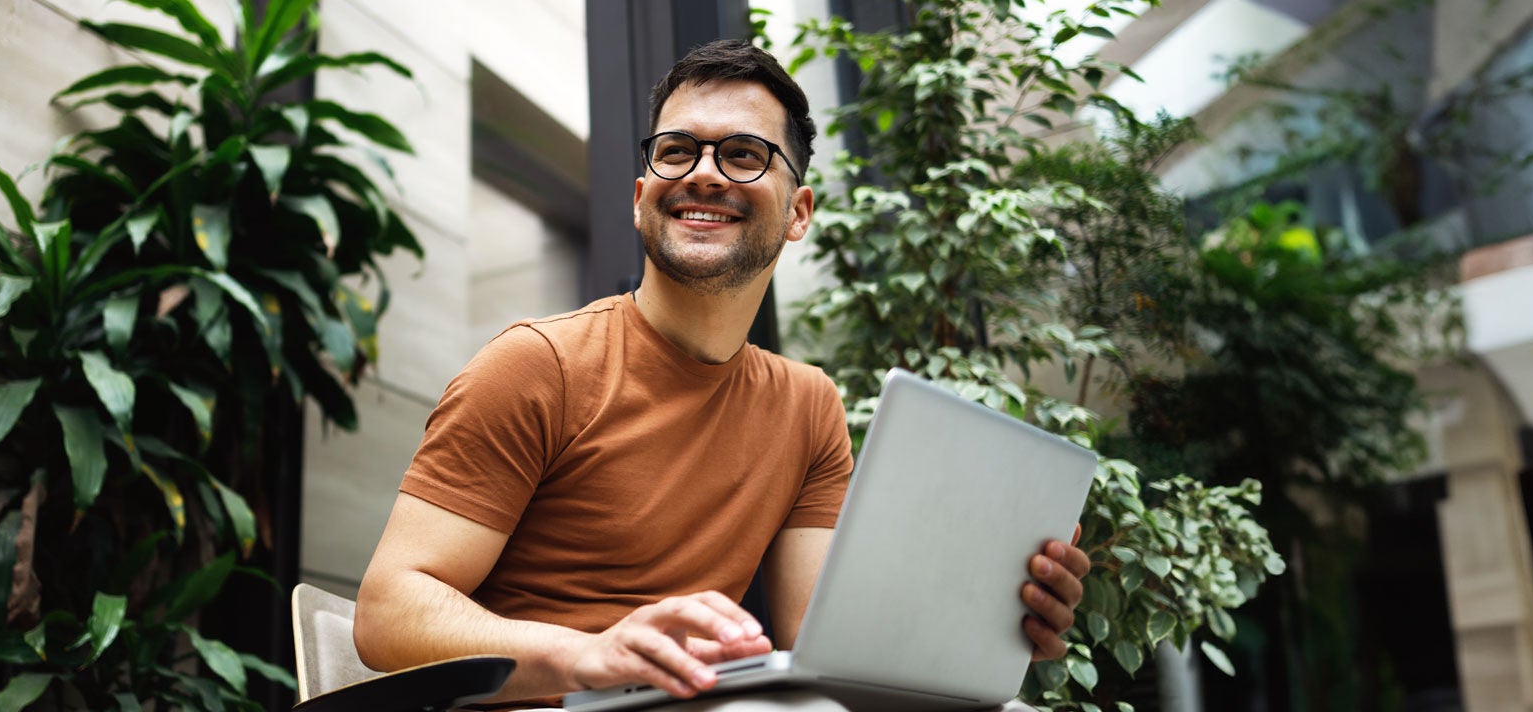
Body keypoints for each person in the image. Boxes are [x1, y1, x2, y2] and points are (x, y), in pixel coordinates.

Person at [353, 39, 1091, 711]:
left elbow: (823, 649)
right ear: (642, 199)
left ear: (799, 212)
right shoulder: (537, 365)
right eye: (677, 151)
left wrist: (994, 617)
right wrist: (588, 655)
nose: (704, 173)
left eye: (744, 154)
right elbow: (387, 612)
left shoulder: (809, 405)